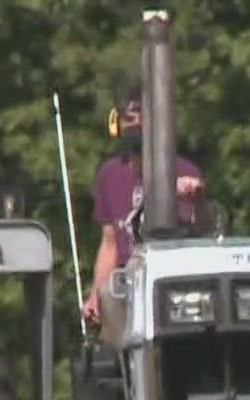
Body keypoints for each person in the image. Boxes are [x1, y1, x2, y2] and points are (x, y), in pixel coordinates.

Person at [84, 87, 207, 325]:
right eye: (130, 118)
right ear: (116, 124)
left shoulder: (185, 171)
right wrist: (95, 297)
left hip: (175, 289)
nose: (136, 124)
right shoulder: (109, 175)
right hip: (127, 289)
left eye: (144, 117)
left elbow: (204, 232)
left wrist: (197, 200)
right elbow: (110, 244)